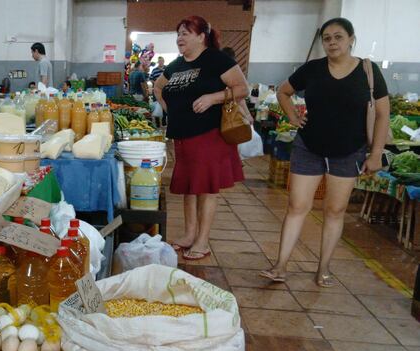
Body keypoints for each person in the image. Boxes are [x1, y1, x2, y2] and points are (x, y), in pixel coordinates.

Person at [260, 17, 389, 287]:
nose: (332, 42)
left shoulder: (368, 71)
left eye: (338, 37)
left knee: (334, 210)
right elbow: (284, 92)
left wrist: (376, 153)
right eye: (327, 38)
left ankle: (324, 269)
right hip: (309, 147)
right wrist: (293, 116)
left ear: (351, 39)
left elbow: (382, 114)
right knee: (297, 206)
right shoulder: (313, 69)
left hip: (349, 151)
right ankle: (280, 266)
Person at [153, 16, 248, 260]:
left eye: (185, 33)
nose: (180, 38)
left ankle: (202, 241)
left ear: (201, 36)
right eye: (178, 33)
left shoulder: (216, 60)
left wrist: (212, 98)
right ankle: (189, 234)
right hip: (182, 137)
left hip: (209, 135)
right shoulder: (176, 65)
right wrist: (168, 108)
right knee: (189, 187)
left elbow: (241, 88)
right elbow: (158, 87)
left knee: (206, 188)